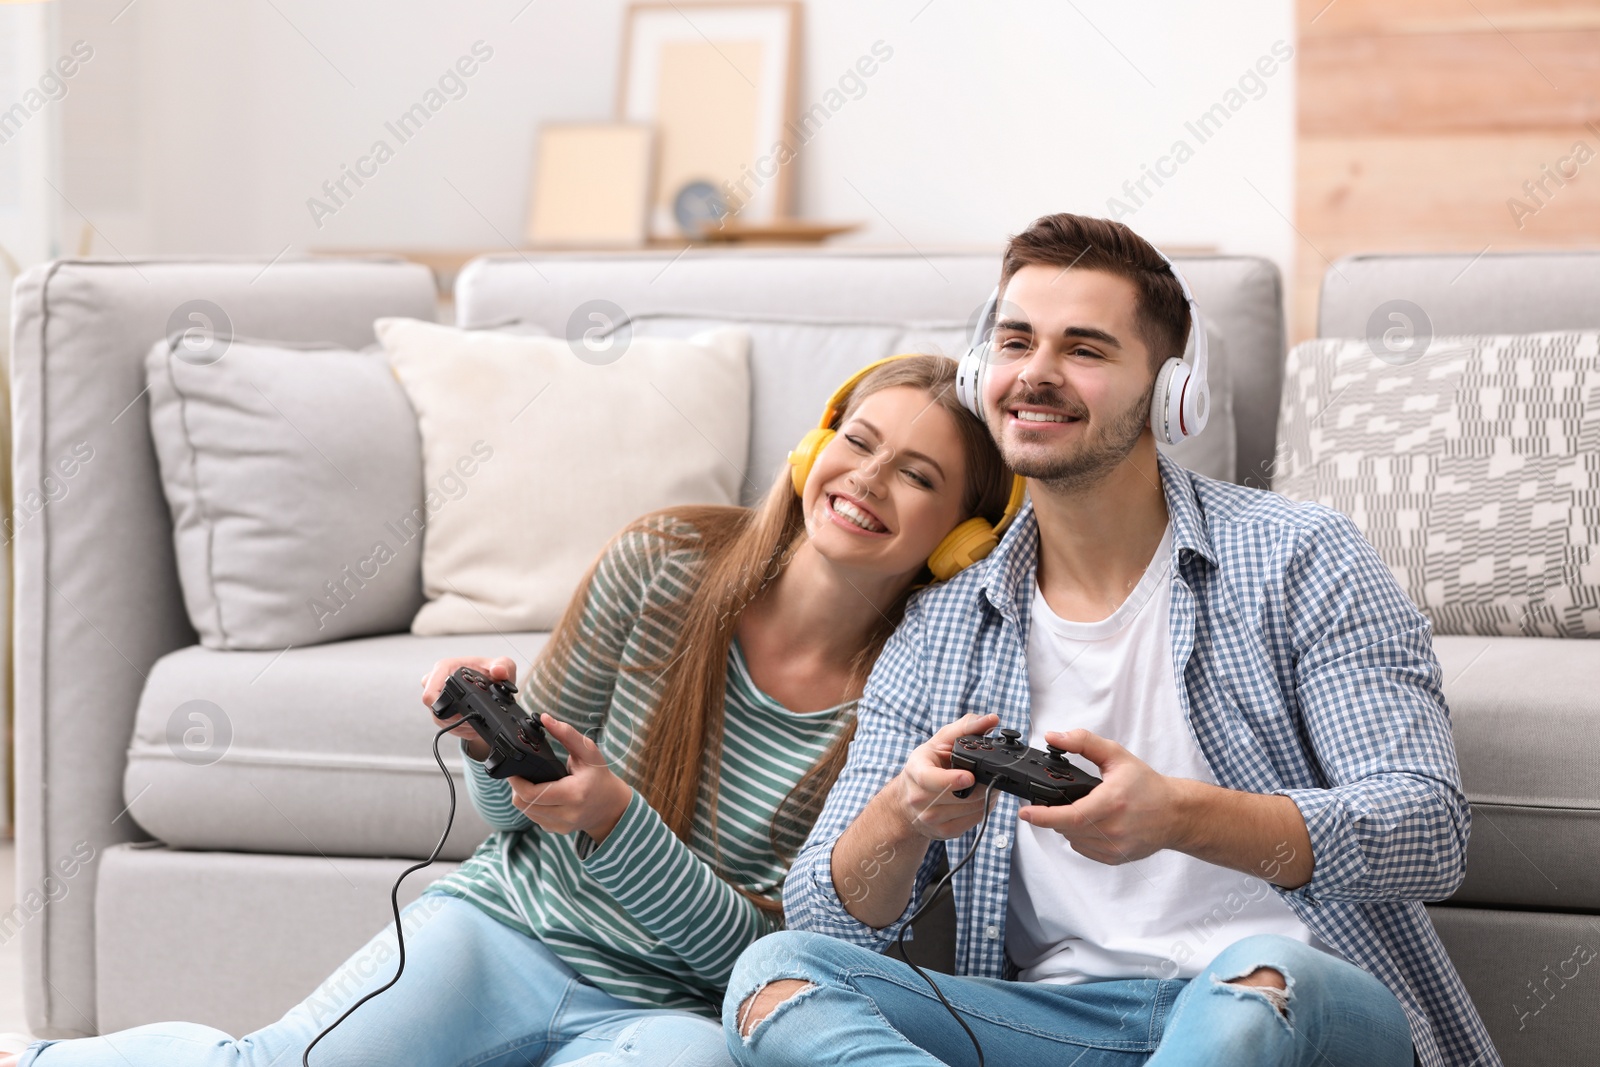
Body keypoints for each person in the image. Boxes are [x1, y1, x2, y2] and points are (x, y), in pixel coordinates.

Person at [5, 354, 1019, 1067]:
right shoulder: (662, 559)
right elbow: (511, 831)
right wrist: (497, 755)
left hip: (687, 1014)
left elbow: (770, 964)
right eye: (858, 440)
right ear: (812, 447)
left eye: (918, 475)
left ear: (963, 539)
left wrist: (614, 822)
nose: (867, 480)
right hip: (506, 931)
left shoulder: (912, 702)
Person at [725, 215, 1500, 1067]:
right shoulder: (943, 625)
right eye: (1017, 340)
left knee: (1256, 981)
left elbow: (1428, 830)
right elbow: (826, 916)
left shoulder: (1299, 555)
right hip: (1062, 1024)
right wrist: (903, 816)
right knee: (777, 973)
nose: (1038, 374)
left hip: (1289, 996)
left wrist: (1178, 815)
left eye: (1085, 350)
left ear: (1171, 394)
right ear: (986, 368)